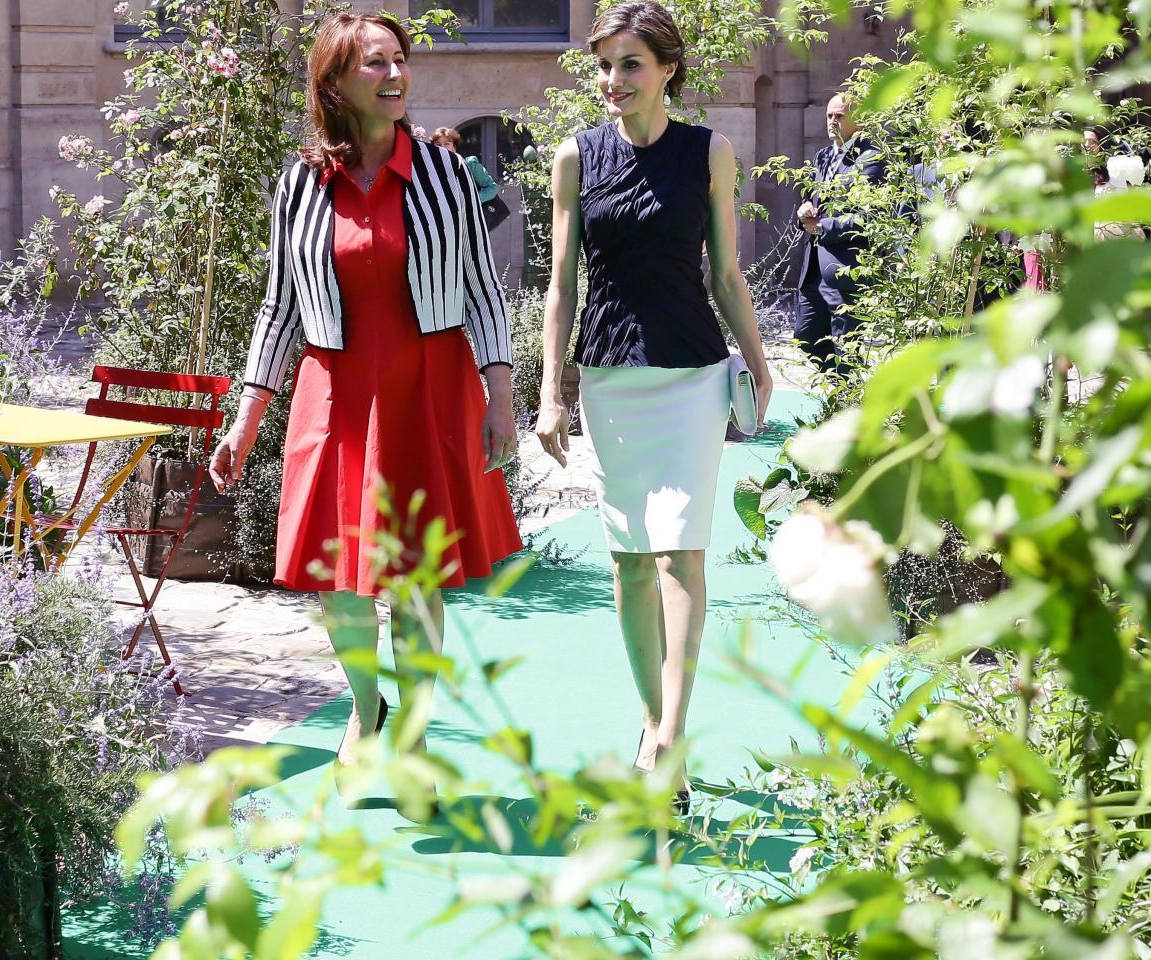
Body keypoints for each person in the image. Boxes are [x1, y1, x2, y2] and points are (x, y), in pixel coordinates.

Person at [208, 12, 520, 792]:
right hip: (335, 392)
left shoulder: (449, 174)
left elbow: (483, 289)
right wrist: (246, 415)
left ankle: (412, 733)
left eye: (400, 60)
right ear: (335, 84)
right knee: (338, 579)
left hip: (427, 388)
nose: (395, 75)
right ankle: (365, 706)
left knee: (414, 577)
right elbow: (279, 306)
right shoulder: (299, 185)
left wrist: (502, 392)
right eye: (374, 63)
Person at [533, 0, 772, 812]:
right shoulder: (575, 157)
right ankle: (650, 722)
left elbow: (727, 276)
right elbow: (560, 285)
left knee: (680, 556)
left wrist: (760, 363)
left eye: (629, 63)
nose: (612, 80)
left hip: (691, 376)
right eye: (603, 64)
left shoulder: (711, 153)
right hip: (609, 379)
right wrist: (549, 391)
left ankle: (670, 739)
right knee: (630, 562)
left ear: (668, 68)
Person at [792, 93, 886, 373]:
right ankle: (838, 394)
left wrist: (823, 227)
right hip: (814, 270)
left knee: (847, 350)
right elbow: (812, 203)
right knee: (805, 338)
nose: (832, 121)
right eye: (829, 115)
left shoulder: (870, 158)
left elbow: (872, 218)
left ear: (858, 119)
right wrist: (804, 212)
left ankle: (848, 407)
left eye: (840, 116)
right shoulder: (823, 156)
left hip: (847, 270)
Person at [431, 126, 501, 205]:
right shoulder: (431, 169)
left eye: (447, 144)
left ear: (454, 146)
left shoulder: (469, 164)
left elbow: (492, 187)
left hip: (470, 215)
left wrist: (471, 203)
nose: (442, 148)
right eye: (438, 144)